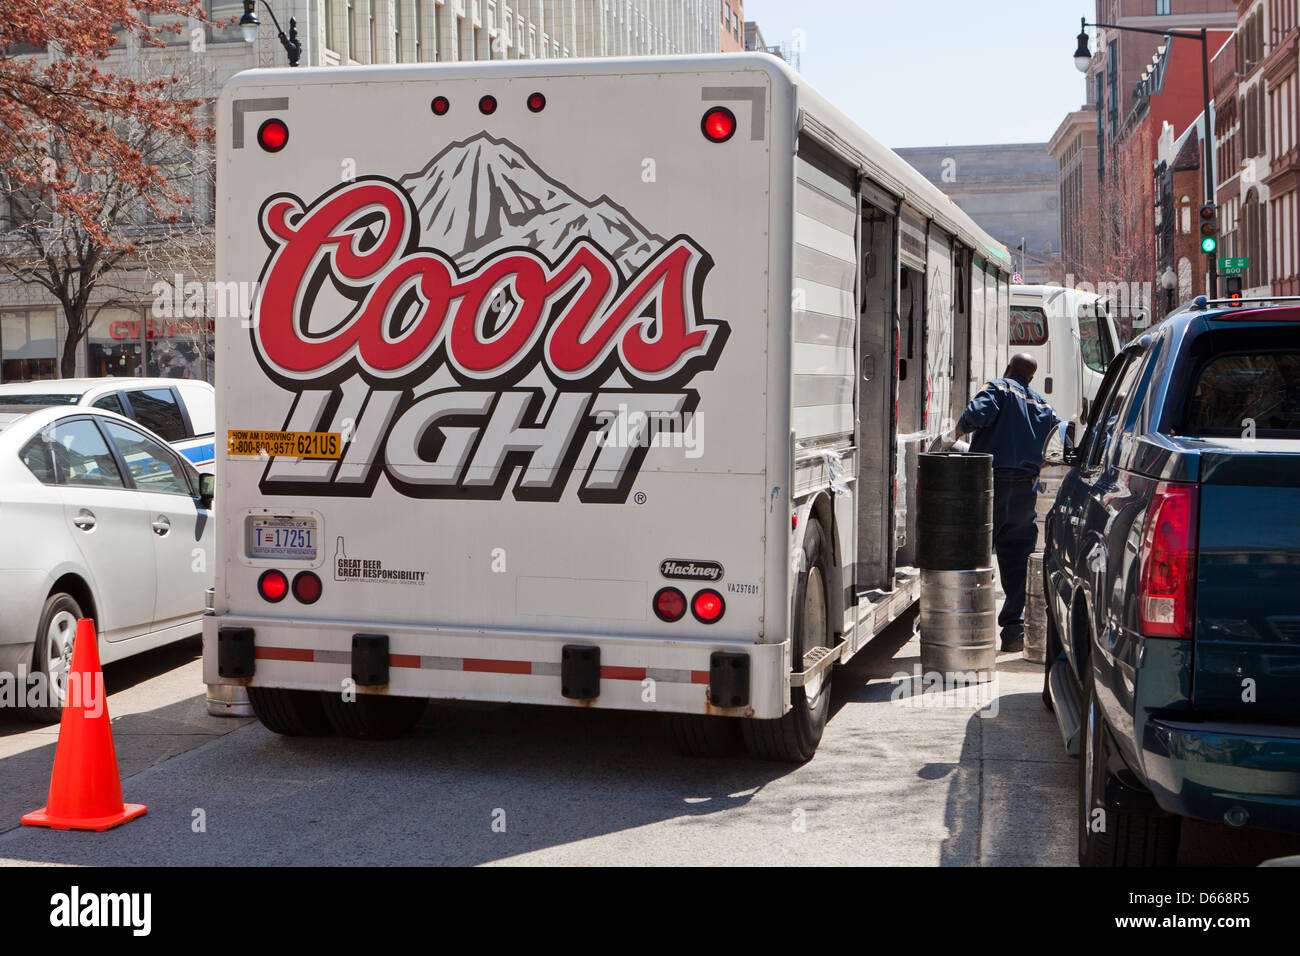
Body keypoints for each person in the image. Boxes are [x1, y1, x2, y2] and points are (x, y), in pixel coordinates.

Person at [954, 353, 1060, 653]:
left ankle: (964, 627)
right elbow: (1057, 440)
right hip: (1024, 493)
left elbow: (975, 414)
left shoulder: (998, 388)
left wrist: (953, 436)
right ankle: (1013, 631)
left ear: (1008, 369)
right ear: (1031, 377)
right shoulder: (1043, 405)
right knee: (1017, 563)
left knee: (972, 556)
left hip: (990, 486)